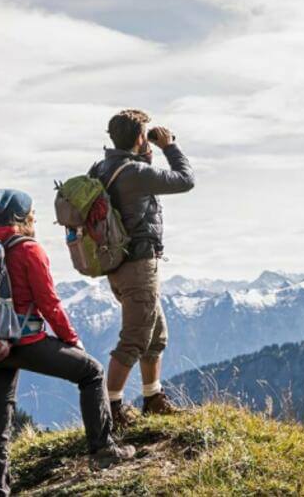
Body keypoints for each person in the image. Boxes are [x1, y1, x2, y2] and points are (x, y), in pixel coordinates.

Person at [0, 189, 134, 497]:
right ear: (20, 217)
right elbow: (49, 303)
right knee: (92, 372)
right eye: (32, 213)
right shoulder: (28, 249)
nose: (35, 218)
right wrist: (72, 340)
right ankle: (103, 451)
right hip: (25, 342)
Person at [89, 109, 195, 430]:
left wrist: (145, 158)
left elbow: (130, 195)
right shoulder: (133, 172)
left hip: (119, 263)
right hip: (138, 264)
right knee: (135, 338)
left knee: (156, 334)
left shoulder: (102, 167)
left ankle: (152, 399)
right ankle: (111, 411)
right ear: (139, 137)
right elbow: (185, 180)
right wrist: (170, 147)